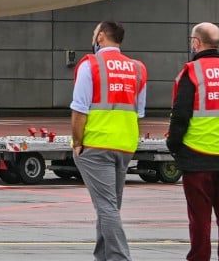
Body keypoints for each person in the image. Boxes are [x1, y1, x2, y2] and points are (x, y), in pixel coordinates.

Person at [167, 22, 219, 261]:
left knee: (200, 218)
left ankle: (199, 258)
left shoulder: (192, 72)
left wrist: (174, 144)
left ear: (196, 43)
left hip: (196, 156)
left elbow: (181, 114)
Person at [70, 21, 147, 261]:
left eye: (94, 33)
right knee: (110, 206)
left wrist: (77, 143)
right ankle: (102, 256)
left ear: (101, 37)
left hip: (96, 143)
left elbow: (79, 110)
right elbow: (139, 111)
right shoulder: (137, 68)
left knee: (106, 206)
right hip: (124, 145)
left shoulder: (90, 65)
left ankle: (119, 258)